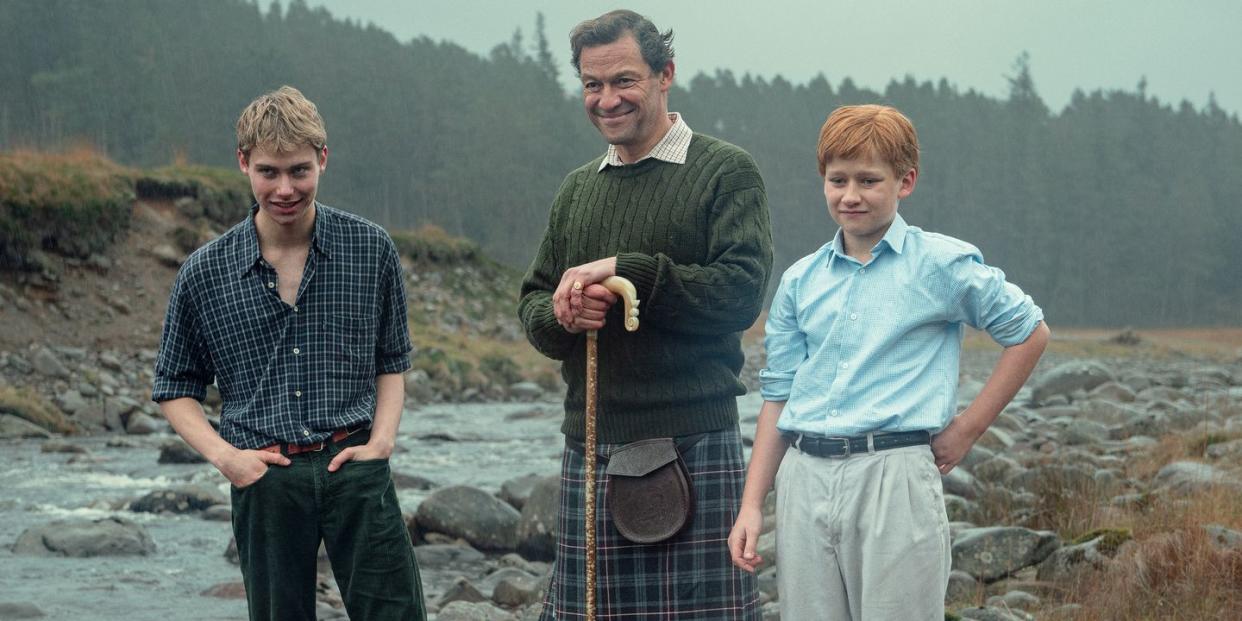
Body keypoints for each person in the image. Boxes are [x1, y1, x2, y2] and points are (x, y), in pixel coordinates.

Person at [728, 104, 1050, 621]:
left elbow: (1030, 332)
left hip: (894, 476)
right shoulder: (800, 280)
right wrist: (751, 504)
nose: (850, 195)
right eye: (837, 180)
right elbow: (779, 395)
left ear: (906, 181)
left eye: (869, 180)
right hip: (804, 476)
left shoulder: (941, 264)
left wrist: (967, 429)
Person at [517, 9, 771, 620]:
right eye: (592, 84)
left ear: (665, 74)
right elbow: (532, 304)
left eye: (623, 80)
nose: (607, 100)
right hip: (590, 444)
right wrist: (565, 315)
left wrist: (629, 271)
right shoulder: (577, 189)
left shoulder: (724, 173)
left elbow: (741, 293)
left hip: (692, 443)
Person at [152, 85, 425, 621]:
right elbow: (174, 389)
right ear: (244, 164)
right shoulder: (204, 272)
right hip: (265, 477)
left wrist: (383, 442)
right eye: (269, 172)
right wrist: (227, 459)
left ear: (323, 159)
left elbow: (391, 361)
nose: (284, 189)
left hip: (356, 466)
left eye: (299, 170)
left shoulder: (370, 248)